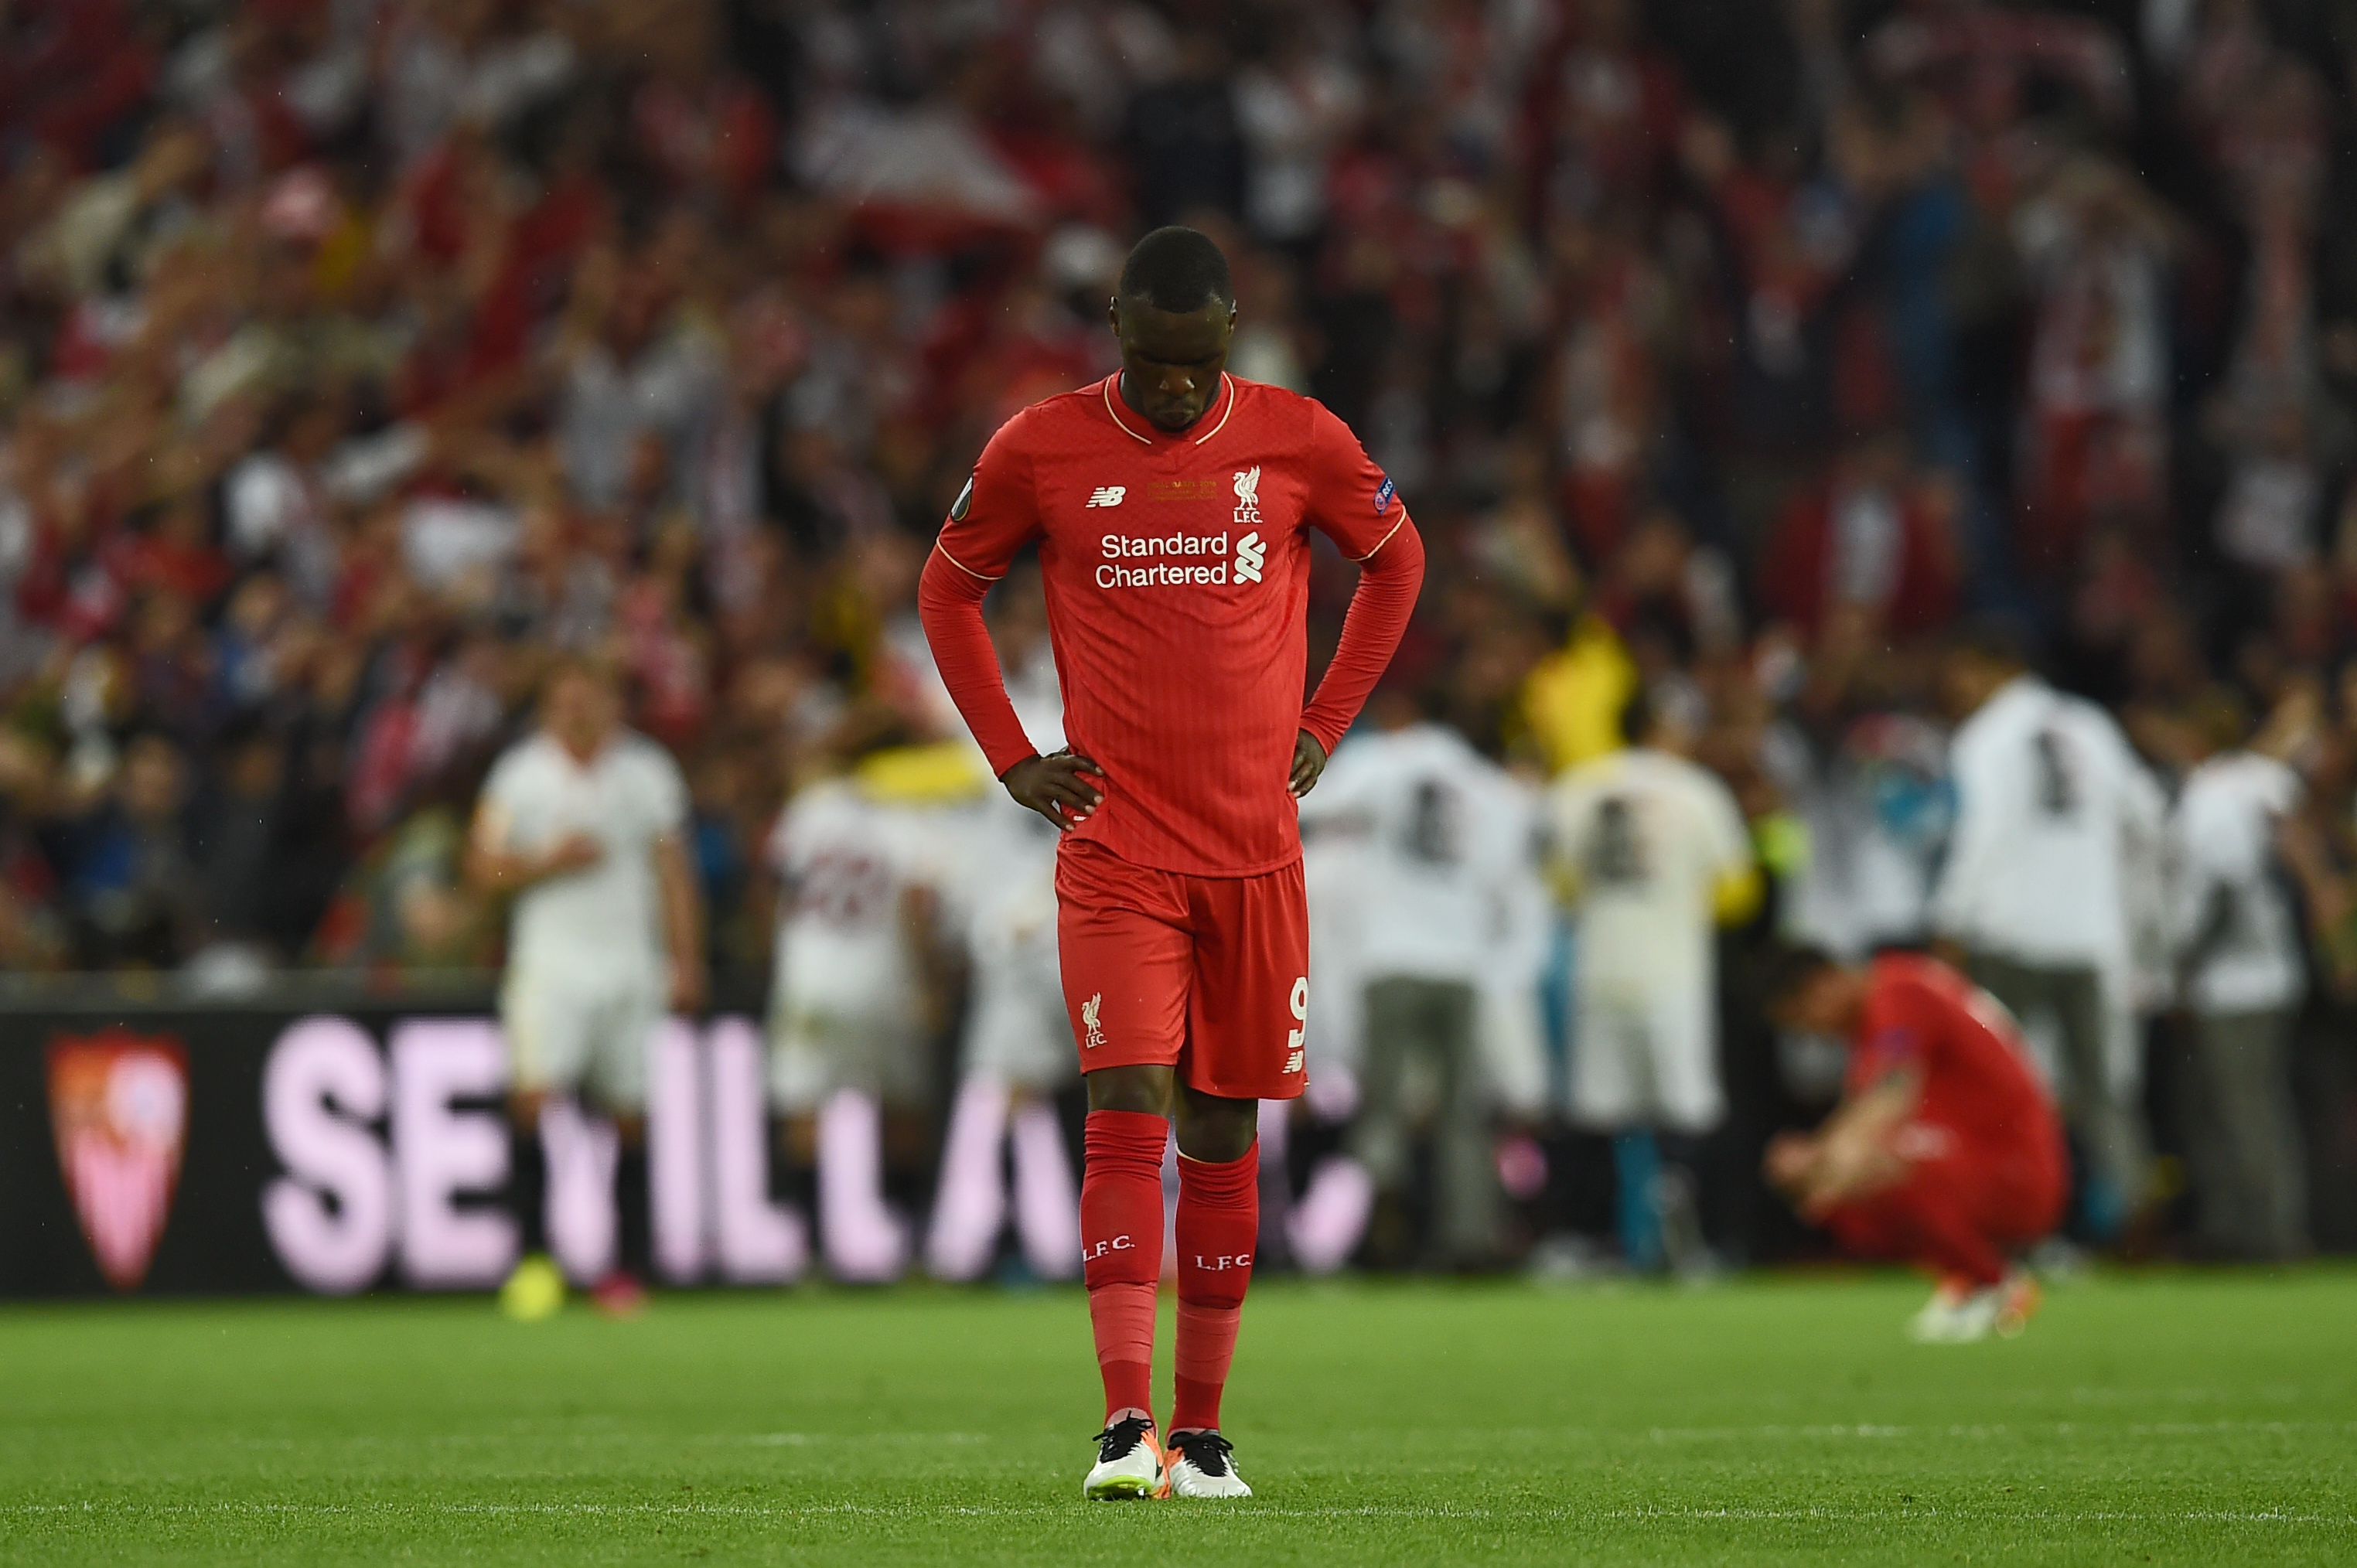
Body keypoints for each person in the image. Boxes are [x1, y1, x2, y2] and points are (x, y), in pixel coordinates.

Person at [916, 226, 1424, 1500]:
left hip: (1252, 854)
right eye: (1155, 360)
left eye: (1201, 362)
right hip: (1116, 848)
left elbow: (1397, 563)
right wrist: (1009, 754)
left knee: (1220, 1123)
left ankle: (1200, 1435)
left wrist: (1321, 724)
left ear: (1230, 334)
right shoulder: (1039, 445)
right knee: (1125, 1098)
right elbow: (945, 588)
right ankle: (1121, 1421)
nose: (1180, 387)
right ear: (1117, 329)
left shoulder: (1299, 437)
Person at [468, 658, 704, 1318]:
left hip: (629, 966)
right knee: (535, 1103)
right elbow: (480, 867)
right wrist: (547, 859)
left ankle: (625, 1269)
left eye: (589, 700)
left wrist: (686, 961)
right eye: (565, 702)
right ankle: (535, 1262)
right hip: (550, 968)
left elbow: (673, 872)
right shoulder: (520, 775)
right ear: (548, 708)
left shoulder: (647, 772)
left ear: (610, 703)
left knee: (628, 1117)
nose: (578, 713)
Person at [1298, 685, 1546, 1268]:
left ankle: (1379, 1233)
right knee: (1463, 1111)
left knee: (1383, 1107)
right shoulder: (1489, 786)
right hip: (1461, 964)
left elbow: (1307, 801)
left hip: (1390, 961)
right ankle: (1468, 1240)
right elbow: (1511, 866)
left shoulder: (1382, 763)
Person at [1929, 621, 2164, 1237]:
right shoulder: (2091, 725)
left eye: (1963, 673)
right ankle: (2139, 1217)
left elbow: (1984, 832)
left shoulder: (1986, 735)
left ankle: (2030, 1226)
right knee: (2102, 1090)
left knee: (2009, 1090)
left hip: (2012, 934)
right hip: (2091, 936)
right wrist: (2137, 924)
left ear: (1993, 666)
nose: (1956, 688)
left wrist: (1950, 920)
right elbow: (2146, 817)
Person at [1547, 687, 1759, 1270]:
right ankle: (1682, 1219)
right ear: (1663, 726)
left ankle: (1597, 1239)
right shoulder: (1697, 790)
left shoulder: (1580, 787)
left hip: (1602, 964)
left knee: (1599, 1109)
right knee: (1684, 1105)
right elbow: (1738, 894)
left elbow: (1560, 885)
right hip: (1673, 969)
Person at [1761, 943, 2066, 1342]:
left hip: (2016, 1170)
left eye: (1805, 1018)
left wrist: (1818, 1160)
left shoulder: (1898, 994)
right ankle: (1970, 1280)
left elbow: (1890, 1094)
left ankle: (1992, 1284)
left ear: (1824, 984)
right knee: (1842, 1186)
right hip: (1981, 1158)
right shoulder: (1890, 997)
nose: (1814, 1034)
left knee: (1866, 1171)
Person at [766, 733, 975, 1283]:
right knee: (903, 1111)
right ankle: (908, 1249)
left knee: (806, 1111)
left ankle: (810, 1253)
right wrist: (931, 983)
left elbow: (776, 882)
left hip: (810, 977)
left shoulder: (813, 807)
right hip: (884, 979)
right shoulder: (908, 818)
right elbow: (915, 902)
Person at [2167, 714, 2308, 1260]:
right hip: (2276, 971)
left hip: (2232, 982)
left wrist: (2187, 968)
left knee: (2240, 1111)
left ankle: (2263, 1235)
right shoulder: (2267, 781)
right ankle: (2248, 1229)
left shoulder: (2215, 788)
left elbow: (2223, 885)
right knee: (2257, 1107)